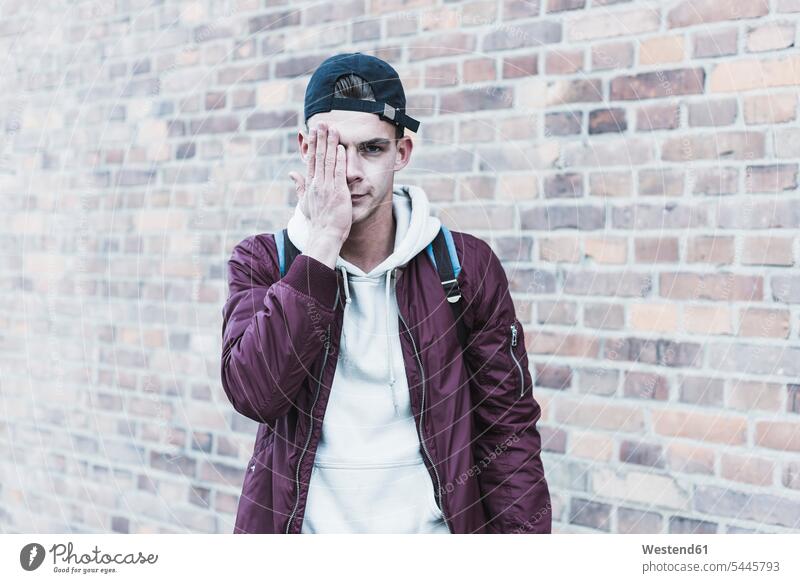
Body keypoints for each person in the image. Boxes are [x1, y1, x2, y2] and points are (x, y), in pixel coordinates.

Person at [221, 52, 551, 534]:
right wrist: (320, 250)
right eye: (334, 149)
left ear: (402, 153)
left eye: (372, 149)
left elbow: (508, 430)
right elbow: (255, 393)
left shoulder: (464, 267)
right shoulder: (264, 262)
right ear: (304, 148)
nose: (351, 170)